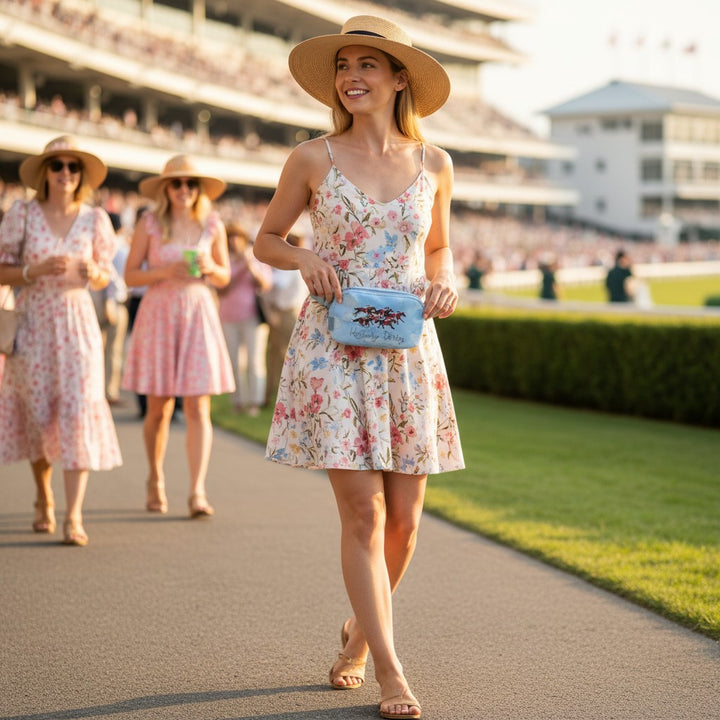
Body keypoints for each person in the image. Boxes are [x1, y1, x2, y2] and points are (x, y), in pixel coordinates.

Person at [253, 16, 464, 720]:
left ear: (399, 77)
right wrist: (306, 257)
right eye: (345, 64)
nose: (353, 75)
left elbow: (439, 249)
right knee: (364, 514)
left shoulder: (436, 163)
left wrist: (445, 280)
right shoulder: (311, 158)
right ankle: (388, 669)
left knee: (405, 520)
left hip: (407, 349)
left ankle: (356, 630)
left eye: (369, 64)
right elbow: (266, 239)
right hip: (333, 349)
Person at [0, 135, 122, 546]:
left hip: (78, 323)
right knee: (39, 415)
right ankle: (42, 497)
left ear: (81, 175)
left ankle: (74, 516)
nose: (66, 173)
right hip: (33, 320)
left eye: (73, 167)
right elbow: (2, 269)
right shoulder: (22, 214)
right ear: (45, 173)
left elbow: (108, 275)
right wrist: (33, 270)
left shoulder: (95, 219)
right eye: (58, 166)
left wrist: (94, 274)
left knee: (77, 409)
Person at [121, 155, 234, 518]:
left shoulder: (213, 223)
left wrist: (210, 267)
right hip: (159, 313)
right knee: (159, 407)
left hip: (198, 311)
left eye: (191, 184)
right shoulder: (149, 222)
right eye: (177, 183)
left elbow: (224, 277)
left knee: (199, 406)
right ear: (165, 189)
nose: (184, 190)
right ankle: (155, 478)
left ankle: (197, 490)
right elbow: (129, 276)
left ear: (199, 190)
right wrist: (163, 270)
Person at [217, 222, 272, 415]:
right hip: (228, 317)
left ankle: (255, 402)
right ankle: (238, 402)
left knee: (254, 361)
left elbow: (265, 284)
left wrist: (248, 264)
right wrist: (239, 269)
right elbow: (221, 288)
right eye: (230, 238)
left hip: (253, 318)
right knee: (233, 361)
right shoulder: (224, 261)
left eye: (237, 238)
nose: (234, 242)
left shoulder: (255, 259)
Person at [259, 230, 308, 407]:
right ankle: (272, 394)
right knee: (275, 355)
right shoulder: (288, 268)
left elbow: (275, 287)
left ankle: (285, 396)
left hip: (289, 312)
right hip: (280, 312)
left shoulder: (294, 269)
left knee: (286, 355)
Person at [91, 211, 129, 404]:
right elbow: (112, 278)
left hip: (103, 301)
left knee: (104, 348)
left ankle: (103, 389)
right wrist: (110, 302)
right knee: (111, 349)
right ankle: (108, 391)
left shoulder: (107, 245)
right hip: (111, 302)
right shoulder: (117, 248)